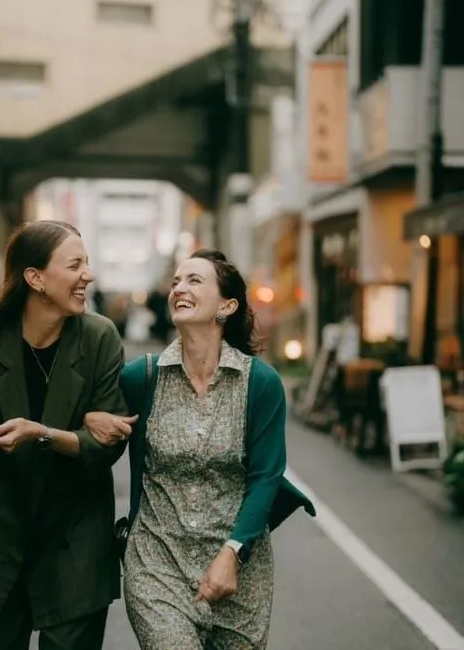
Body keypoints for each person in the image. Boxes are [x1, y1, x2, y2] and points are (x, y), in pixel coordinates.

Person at [0, 220, 138, 650]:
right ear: (35, 278)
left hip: (76, 539)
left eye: (87, 263)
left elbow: (107, 445)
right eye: (74, 265)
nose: (88, 275)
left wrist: (44, 433)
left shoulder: (99, 338)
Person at [86, 249, 314, 650]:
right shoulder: (142, 378)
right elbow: (89, 418)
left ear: (227, 306)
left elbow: (265, 478)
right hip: (157, 566)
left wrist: (233, 552)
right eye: (176, 281)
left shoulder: (260, 384)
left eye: (194, 280)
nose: (179, 288)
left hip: (240, 571)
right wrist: (89, 418)